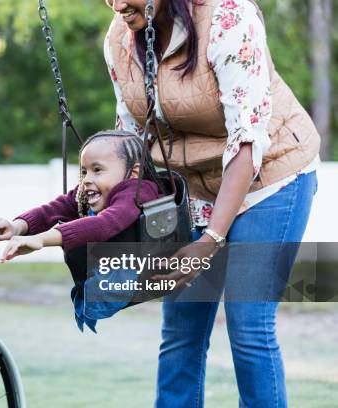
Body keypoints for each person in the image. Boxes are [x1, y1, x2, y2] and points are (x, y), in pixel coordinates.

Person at [104, 0, 320, 407]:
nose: (116, 5)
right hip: (192, 191)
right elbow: (131, 138)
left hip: (268, 179)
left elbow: (247, 142)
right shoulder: (119, 38)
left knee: (248, 325)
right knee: (181, 327)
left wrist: (209, 242)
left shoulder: (228, 19)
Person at [0, 130, 161, 331]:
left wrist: (42, 239)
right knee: (77, 230)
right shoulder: (89, 190)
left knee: (84, 238)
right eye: (84, 171)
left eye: (97, 170)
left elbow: (106, 224)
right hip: (110, 273)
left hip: (138, 274)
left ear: (134, 173)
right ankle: (89, 298)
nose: (87, 179)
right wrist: (17, 226)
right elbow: (53, 209)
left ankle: (93, 300)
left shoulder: (137, 191)